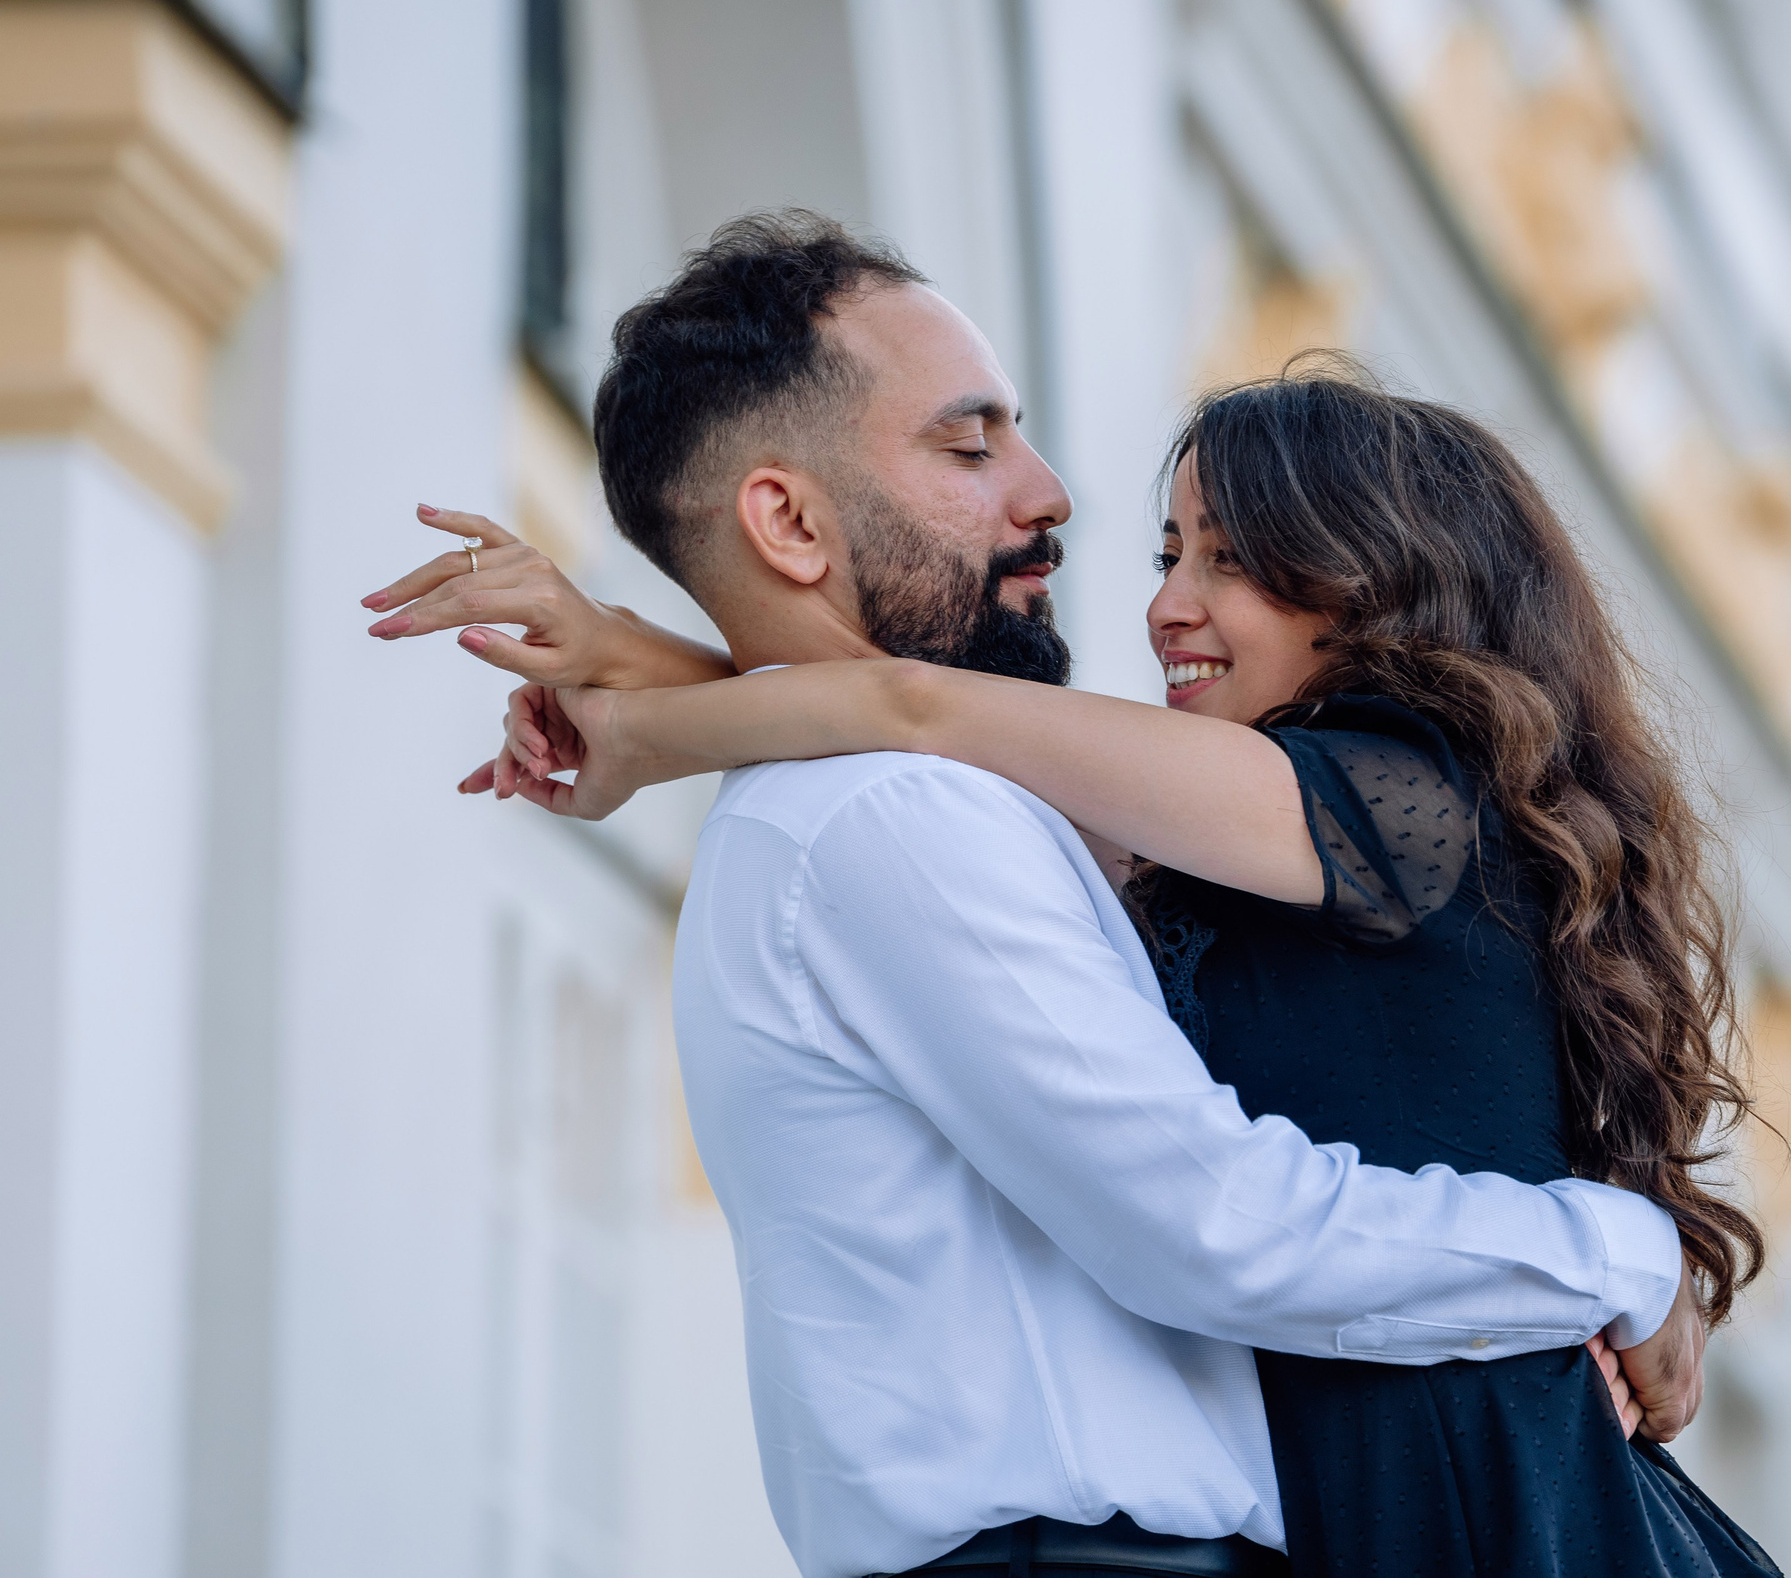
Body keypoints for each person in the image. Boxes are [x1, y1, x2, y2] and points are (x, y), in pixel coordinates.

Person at [364, 213, 1712, 1578]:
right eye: (970, 447)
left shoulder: (1358, 801)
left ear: (1383, 586)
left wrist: (647, 699)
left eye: (1233, 558)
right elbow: (1216, 1222)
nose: (1060, 499)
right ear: (788, 519)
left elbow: (916, 713)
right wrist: (1616, 1253)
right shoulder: (899, 810)